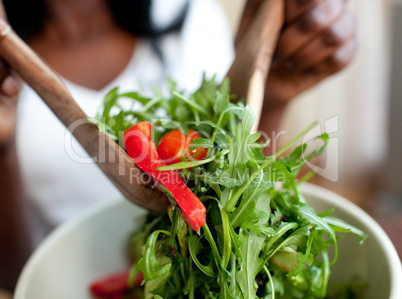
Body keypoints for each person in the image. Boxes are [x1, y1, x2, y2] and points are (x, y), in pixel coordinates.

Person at [0, 0, 356, 292]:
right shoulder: (9, 65)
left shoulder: (191, 14)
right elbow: (13, 277)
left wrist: (274, 92)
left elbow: (237, 166)